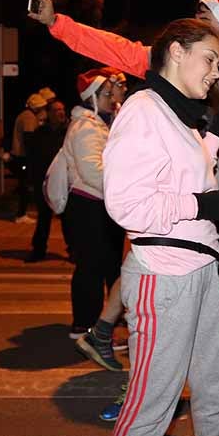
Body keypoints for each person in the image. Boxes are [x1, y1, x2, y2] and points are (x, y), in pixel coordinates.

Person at [29, 0, 219, 396]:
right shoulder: (178, 61)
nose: (195, 18)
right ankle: (141, 390)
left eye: (205, 14)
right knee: (151, 285)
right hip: (170, 205)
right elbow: (116, 48)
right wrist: (59, 23)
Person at [101, 17, 219, 436]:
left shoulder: (176, 113)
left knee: (216, 386)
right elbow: (126, 205)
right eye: (209, 58)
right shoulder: (144, 110)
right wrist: (203, 207)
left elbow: (182, 174)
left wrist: (216, 139)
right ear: (176, 52)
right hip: (163, 273)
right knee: (153, 399)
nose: (215, 72)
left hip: (203, 267)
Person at [63, 69, 125, 340]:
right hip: (89, 206)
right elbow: (93, 172)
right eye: (108, 93)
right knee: (90, 267)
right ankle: (84, 326)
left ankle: (104, 323)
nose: (114, 97)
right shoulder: (87, 127)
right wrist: (125, 189)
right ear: (94, 96)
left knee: (109, 265)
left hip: (102, 205)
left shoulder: (101, 123)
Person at [25, 99, 69, 262]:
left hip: (64, 181)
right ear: (49, 113)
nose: (61, 113)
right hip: (44, 181)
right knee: (44, 217)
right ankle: (38, 250)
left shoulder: (69, 132)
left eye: (62, 109)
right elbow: (33, 157)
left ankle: (73, 250)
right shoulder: (40, 133)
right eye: (57, 110)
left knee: (67, 218)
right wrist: (33, 179)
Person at [11, 93, 48, 223]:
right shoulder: (29, 117)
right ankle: (21, 214)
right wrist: (33, 158)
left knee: (24, 186)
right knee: (24, 187)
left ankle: (21, 213)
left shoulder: (25, 115)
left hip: (19, 156)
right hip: (22, 156)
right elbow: (29, 139)